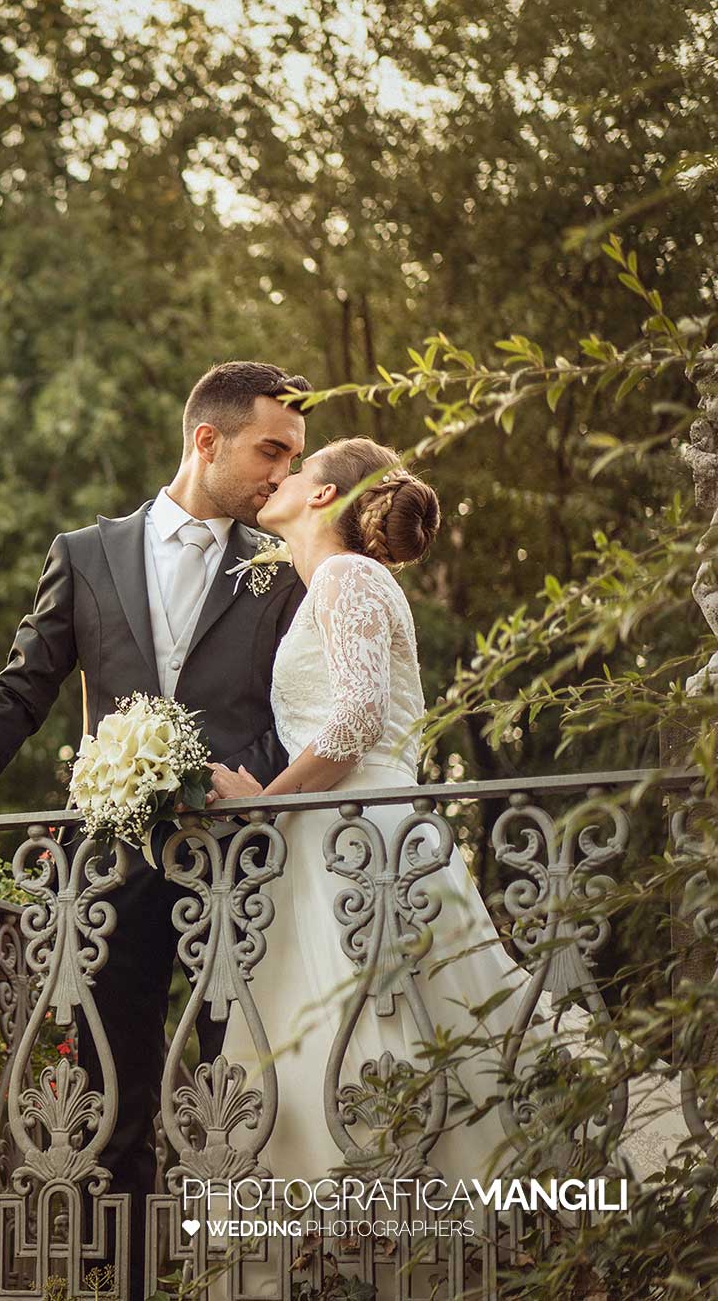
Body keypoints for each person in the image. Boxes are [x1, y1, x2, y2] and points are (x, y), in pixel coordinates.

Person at [0, 360, 313, 1291]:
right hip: (109, 871)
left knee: (235, 1087)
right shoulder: (85, 552)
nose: (283, 473)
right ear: (208, 439)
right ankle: (119, 1283)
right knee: (113, 1098)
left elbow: (296, 710)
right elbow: (22, 689)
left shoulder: (281, 566)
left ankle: (232, 1282)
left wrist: (259, 783)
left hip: (239, 865)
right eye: (271, 449)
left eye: (294, 456)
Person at [207, 436, 687, 1184]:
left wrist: (259, 802)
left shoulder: (345, 576)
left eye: (297, 470)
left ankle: (421, 1229)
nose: (281, 479)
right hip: (336, 836)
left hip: (366, 840)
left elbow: (356, 721)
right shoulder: (334, 582)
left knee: (389, 1029)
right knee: (354, 1035)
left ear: (324, 494)